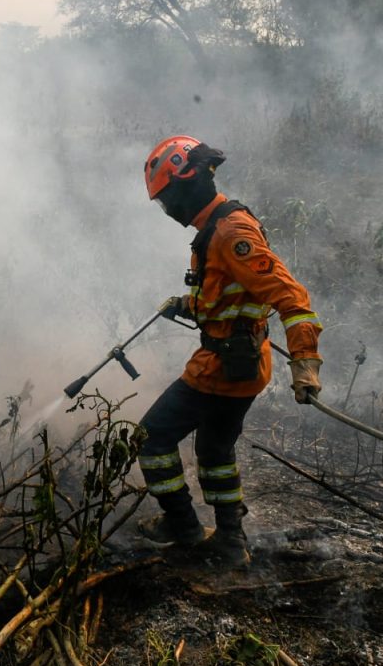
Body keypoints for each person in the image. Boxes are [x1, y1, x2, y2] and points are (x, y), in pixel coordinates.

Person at [136, 135, 323, 568]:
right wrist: (188, 304)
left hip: (221, 369)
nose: (167, 211)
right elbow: (232, 293)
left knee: (151, 439)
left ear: (189, 183)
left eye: (167, 199)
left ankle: (182, 527)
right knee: (216, 453)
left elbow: (292, 298)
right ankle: (229, 541)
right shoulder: (214, 227)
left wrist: (306, 364)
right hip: (240, 365)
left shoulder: (232, 232)